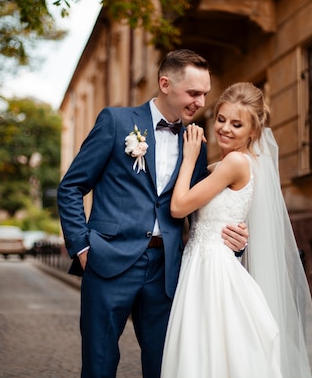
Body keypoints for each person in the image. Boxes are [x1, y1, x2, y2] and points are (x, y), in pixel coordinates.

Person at [56, 49, 250, 378]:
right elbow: (71, 187)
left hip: (166, 272)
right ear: (165, 84)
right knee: (99, 365)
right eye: (193, 93)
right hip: (107, 262)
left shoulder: (197, 142)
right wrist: (83, 247)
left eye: (204, 93)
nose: (201, 102)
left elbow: (200, 207)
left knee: (166, 367)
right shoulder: (116, 122)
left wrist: (234, 239)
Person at [161, 82, 312, 378]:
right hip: (205, 264)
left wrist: (188, 157)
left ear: (253, 131)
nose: (224, 128)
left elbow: (178, 207)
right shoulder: (229, 165)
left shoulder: (234, 162)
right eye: (221, 119)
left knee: (209, 353)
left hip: (213, 270)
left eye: (237, 124)